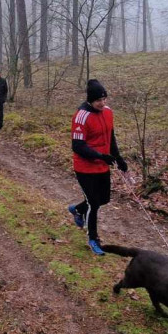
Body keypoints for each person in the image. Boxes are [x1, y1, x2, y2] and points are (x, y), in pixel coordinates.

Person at [67, 79, 127, 255]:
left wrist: (118, 159)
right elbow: (77, 146)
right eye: (98, 100)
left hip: (102, 165)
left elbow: (111, 138)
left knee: (104, 199)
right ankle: (93, 239)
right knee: (93, 203)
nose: (103, 103)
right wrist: (100, 156)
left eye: (104, 99)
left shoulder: (108, 113)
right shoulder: (81, 116)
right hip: (84, 167)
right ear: (90, 100)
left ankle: (77, 209)